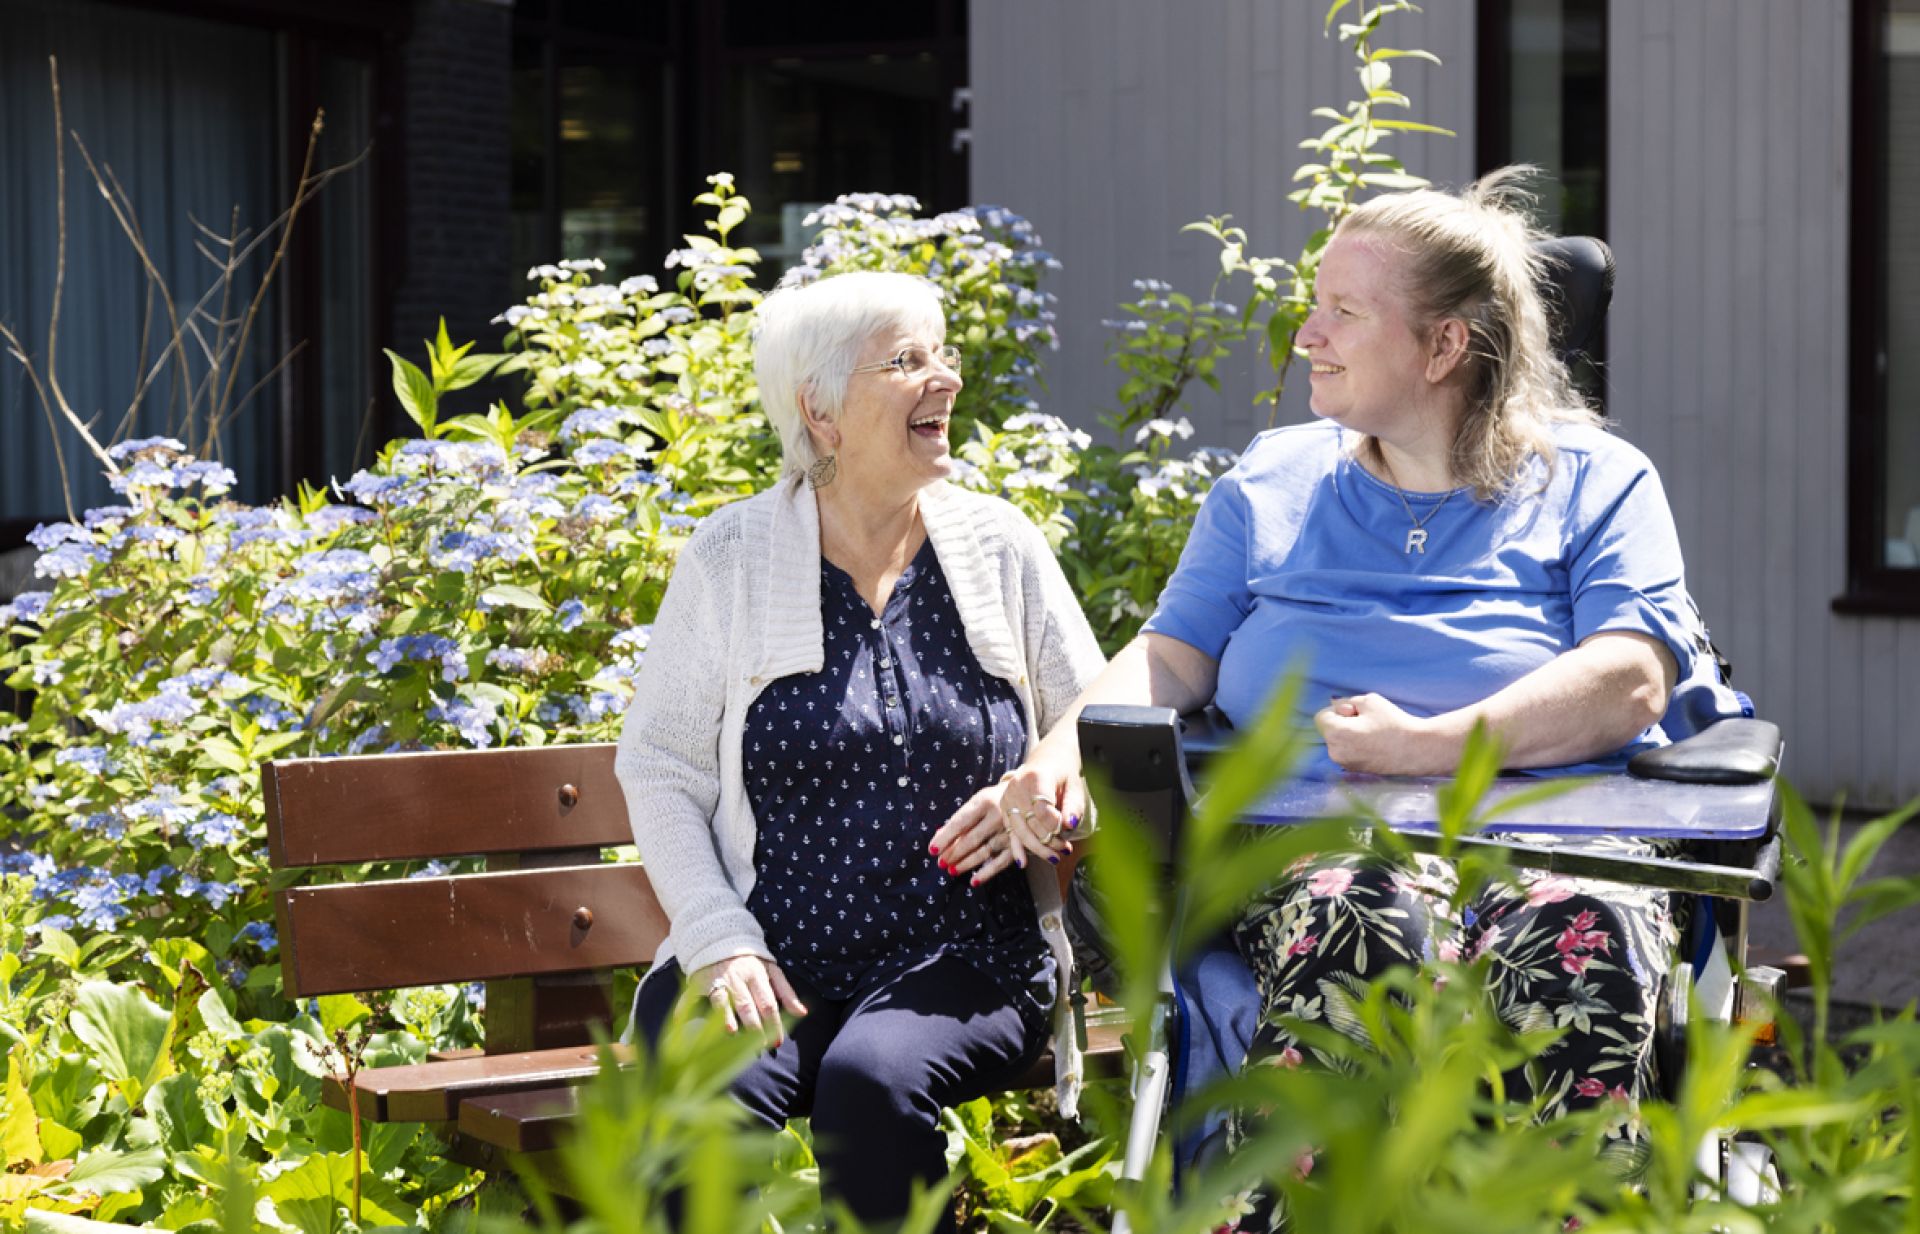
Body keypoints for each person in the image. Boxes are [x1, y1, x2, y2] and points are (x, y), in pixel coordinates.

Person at [976, 169, 1737, 1192]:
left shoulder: (1597, 484)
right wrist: (1060, 749)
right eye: (1312, 305)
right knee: (1361, 908)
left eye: (1343, 310)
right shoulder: (1270, 482)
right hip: (1315, 852)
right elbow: (1169, 652)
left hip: (1558, 839)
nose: (1306, 335)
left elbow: (1630, 678)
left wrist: (1432, 745)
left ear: (1442, 346)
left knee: (1574, 936)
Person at [616, 270, 1105, 1231]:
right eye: (907, 360)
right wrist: (715, 939)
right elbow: (661, 770)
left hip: (964, 955)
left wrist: (1044, 787)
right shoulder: (731, 558)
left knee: (871, 1083)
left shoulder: (999, 546)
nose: (948, 379)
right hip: (768, 956)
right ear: (822, 413)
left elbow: (1094, 713)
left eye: (944, 353)